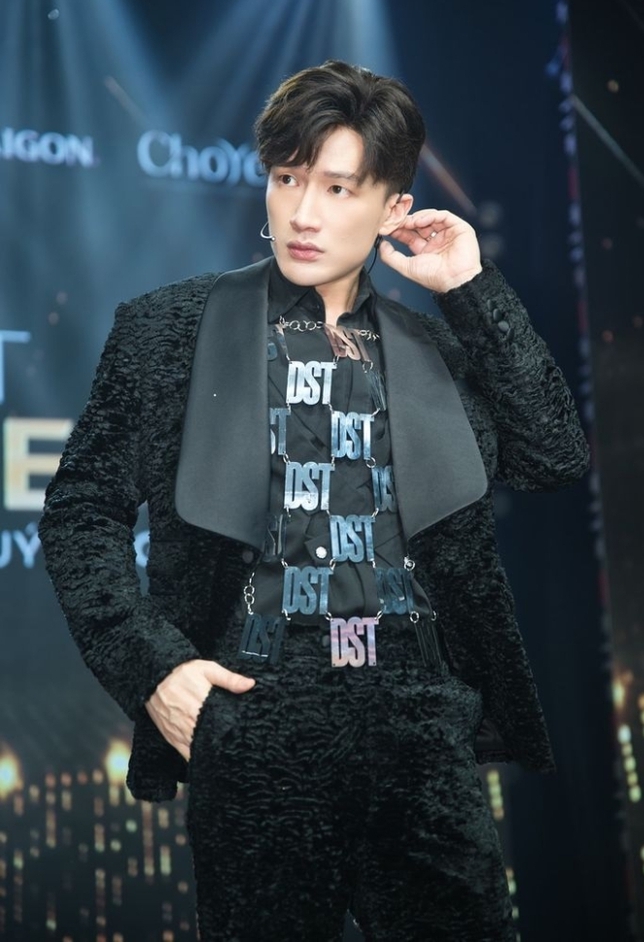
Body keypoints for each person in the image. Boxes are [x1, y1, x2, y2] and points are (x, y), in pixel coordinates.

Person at [39, 60, 589, 941]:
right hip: (254, 710)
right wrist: (155, 670)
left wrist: (471, 288)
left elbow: (554, 454)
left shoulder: (436, 349)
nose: (303, 212)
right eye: (288, 178)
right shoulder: (168, 330)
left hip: (419, 719)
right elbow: (80, 513)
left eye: (338, 188)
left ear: (394, 206)